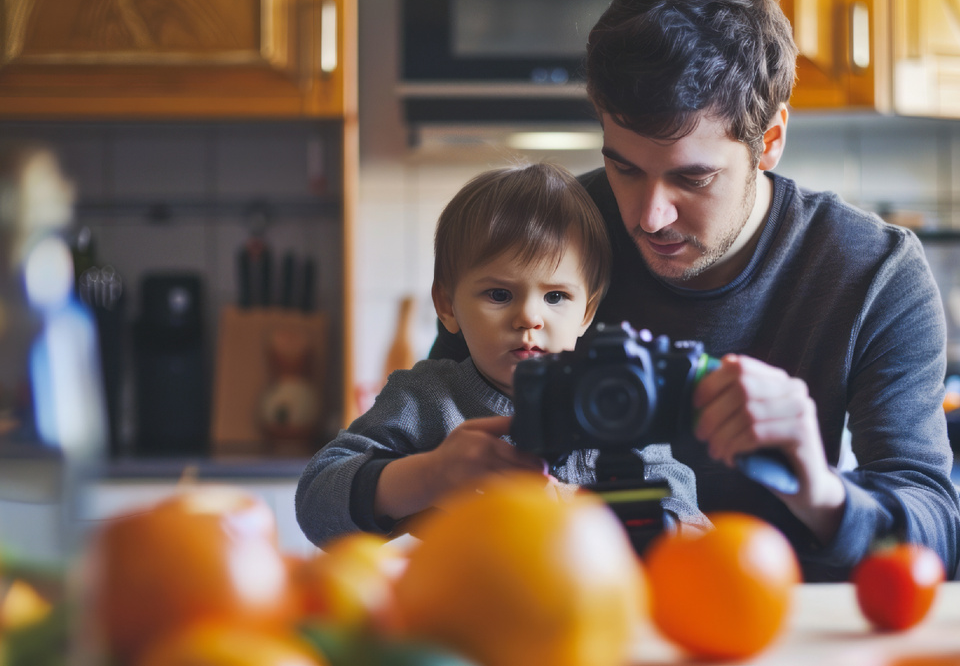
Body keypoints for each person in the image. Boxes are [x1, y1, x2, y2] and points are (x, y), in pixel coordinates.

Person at [431, 0, 960, 581]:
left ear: (771, 140)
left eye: (693, 176)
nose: (650, 216)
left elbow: (937, 540)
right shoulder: (549, 240)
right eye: (624, 167)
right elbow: (426, 439)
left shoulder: (873, 274)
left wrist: (820, 490)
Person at [296, 162, 708, 547]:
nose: (529, 316)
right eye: (499, 294)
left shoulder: (620, 402)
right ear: (447, 305)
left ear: (587, 311)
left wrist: (589, 510)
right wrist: (429, 476)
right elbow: (316, 502)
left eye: (555, 296)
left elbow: (693, 528)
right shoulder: (426, 399)